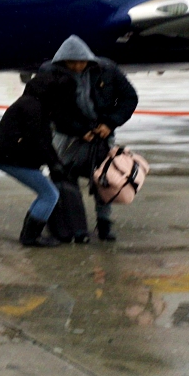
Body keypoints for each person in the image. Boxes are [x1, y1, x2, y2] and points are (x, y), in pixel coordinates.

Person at [39, 35, 139, 241]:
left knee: (105, 178)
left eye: (81, 62)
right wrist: (78, 130)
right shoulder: (49, 72)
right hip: (66, 135)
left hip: (101, 133)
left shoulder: (107, 69)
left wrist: (110, 123)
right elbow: (48, 108)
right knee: (65, 178)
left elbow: (129, 97)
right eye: (71, 62)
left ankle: (105, 224)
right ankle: (74, 226)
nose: (76, 66)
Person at [0, 70, 83, 247]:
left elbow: (43, 140)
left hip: (13, 156)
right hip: (10, 158)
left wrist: (56, 163)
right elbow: (38, 139)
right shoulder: (33, 106)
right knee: (49, 194)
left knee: (47, 193)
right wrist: (55, 165)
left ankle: (31, 234)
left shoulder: (37, 103)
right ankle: (30, 237)